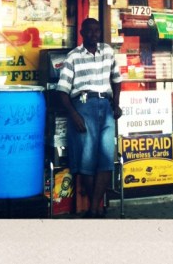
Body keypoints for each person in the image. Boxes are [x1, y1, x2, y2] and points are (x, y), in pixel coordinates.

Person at [56, 17, 122, 218]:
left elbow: (117, 79)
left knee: (106, 159)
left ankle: (94, 207)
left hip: (106, 106)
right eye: (90, 31)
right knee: (86, 160)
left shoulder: (108, 51)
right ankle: (95, 208)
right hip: (84, 106)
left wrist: (116, 104)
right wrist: (74, 115)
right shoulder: (73, 56)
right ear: (82, 33)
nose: (94, 34)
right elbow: (62, 91)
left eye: (97, 30)